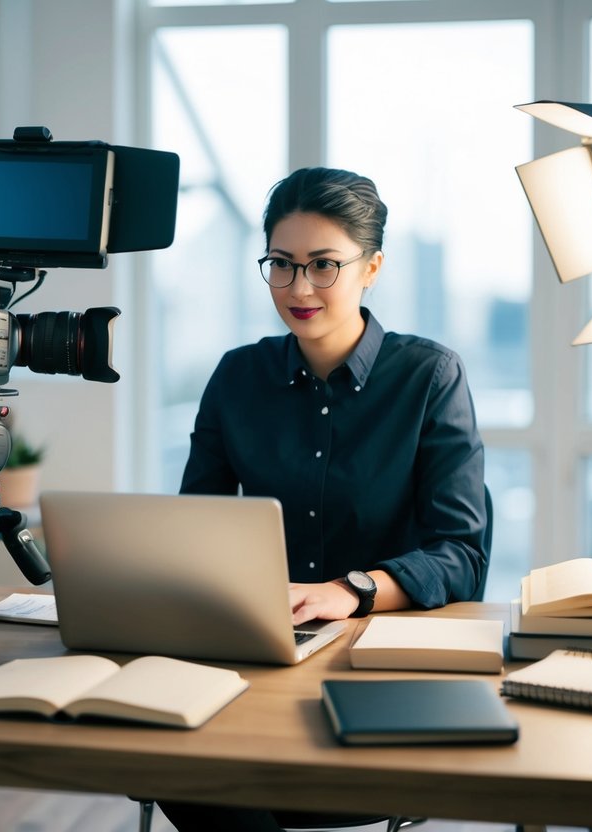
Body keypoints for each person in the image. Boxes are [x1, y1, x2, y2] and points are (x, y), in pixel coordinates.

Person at [159, 166, 488, 832]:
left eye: (323, 265)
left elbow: (460, 555)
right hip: (252, 660)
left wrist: (351, 588)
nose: (298, 288)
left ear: (371, 268)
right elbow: (199, 529)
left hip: (377, 668)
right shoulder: (236, 376)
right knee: (176, 762)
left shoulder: (428, 376)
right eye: (280, 264)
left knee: (224, 781)